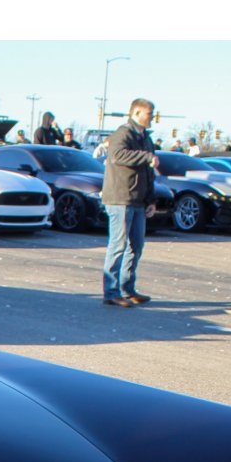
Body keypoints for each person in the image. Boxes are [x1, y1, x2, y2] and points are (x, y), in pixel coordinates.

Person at [100, 98, 160, 308]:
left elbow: (148, 170)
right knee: (118, 244)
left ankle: (127, 288)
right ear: (136, 113)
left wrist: (151, 199)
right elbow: (117, 155)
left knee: (136, 245)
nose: (153, 118)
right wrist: (145, 156)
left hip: (138, 200)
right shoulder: (122, 133)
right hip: (120, 198)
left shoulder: (145, 138)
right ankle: (111, 291)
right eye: (149, 114)